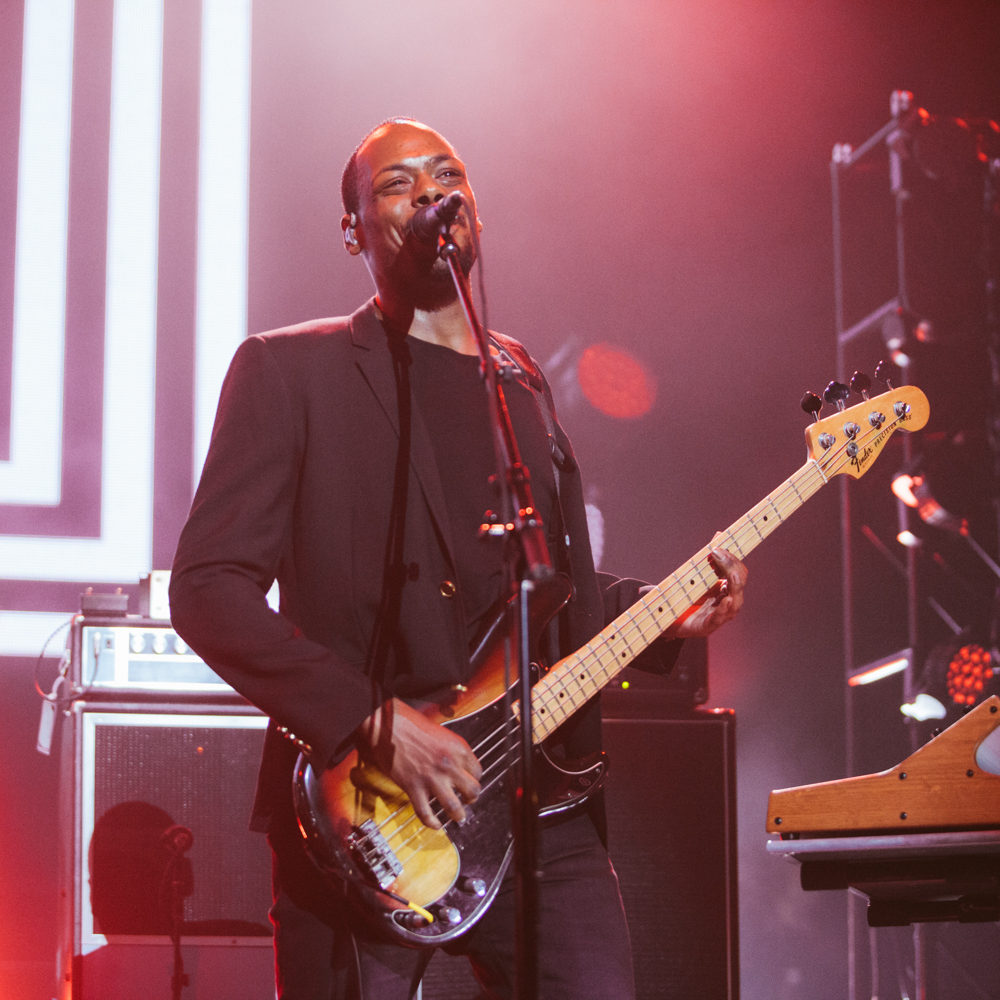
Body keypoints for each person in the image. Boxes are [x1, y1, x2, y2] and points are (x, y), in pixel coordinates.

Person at [170, 118, 747, 1000]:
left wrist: (662, 610)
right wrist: (371, 719)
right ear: (354, 228)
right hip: (365, 809)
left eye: (449, 175)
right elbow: (208, 591)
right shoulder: (290, 372)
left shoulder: (517, 378)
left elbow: (546, 597)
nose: (433, 193)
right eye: (399, 183)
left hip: (537, 805)